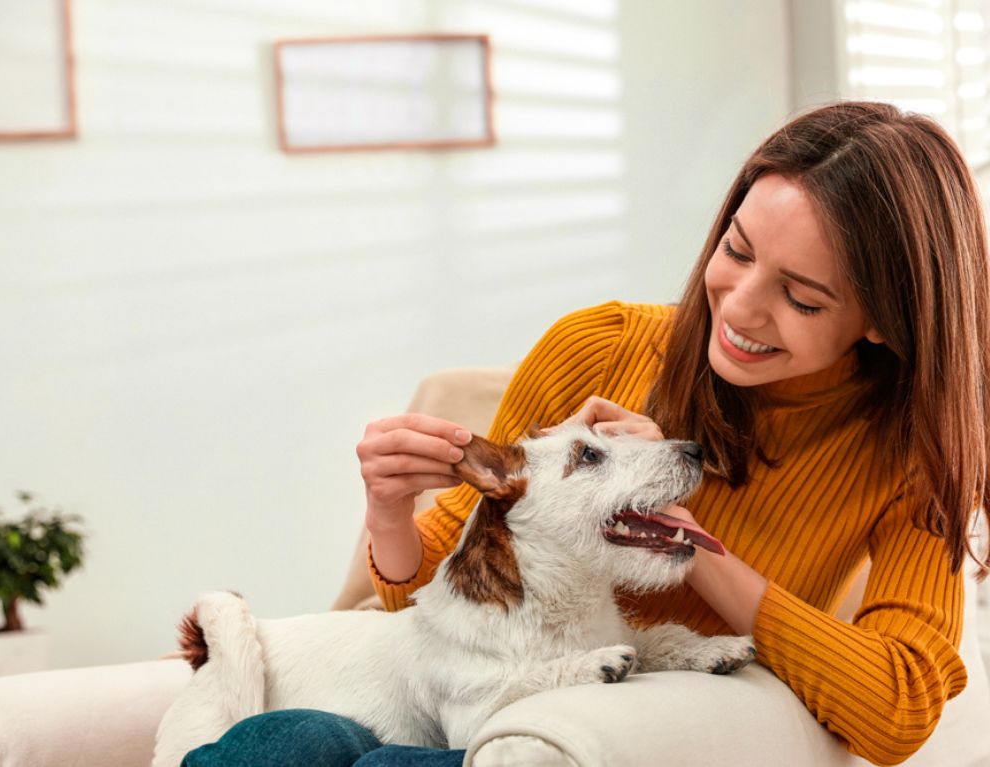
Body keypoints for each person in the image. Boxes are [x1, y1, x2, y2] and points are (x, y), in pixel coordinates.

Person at [182, 100, 990, 767]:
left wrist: (676, 532)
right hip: (483, 700)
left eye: (802, 297)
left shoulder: (912, 459)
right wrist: (390, 511)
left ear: (885, 321)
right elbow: (428, 585)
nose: (739, 306)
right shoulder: (600, 345)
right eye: (734, 249)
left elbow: (896, 710)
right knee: (280, 743)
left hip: (633, 734)